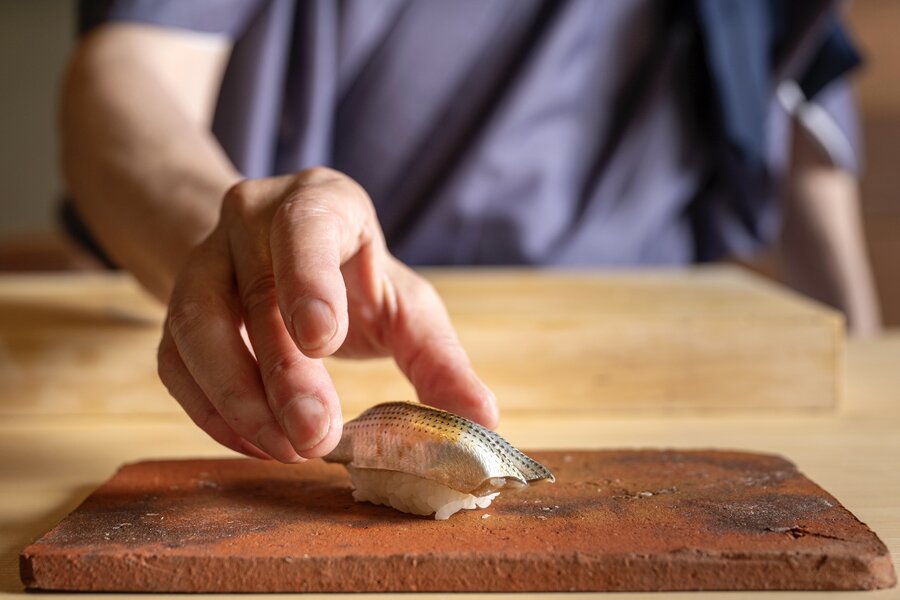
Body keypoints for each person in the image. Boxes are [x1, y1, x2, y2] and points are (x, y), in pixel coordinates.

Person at [60, 0, 880, 463]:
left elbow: (807, 137)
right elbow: (128, 74)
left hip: (671, 368)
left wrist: (867, 363)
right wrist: (226, 235)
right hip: (333, 341)